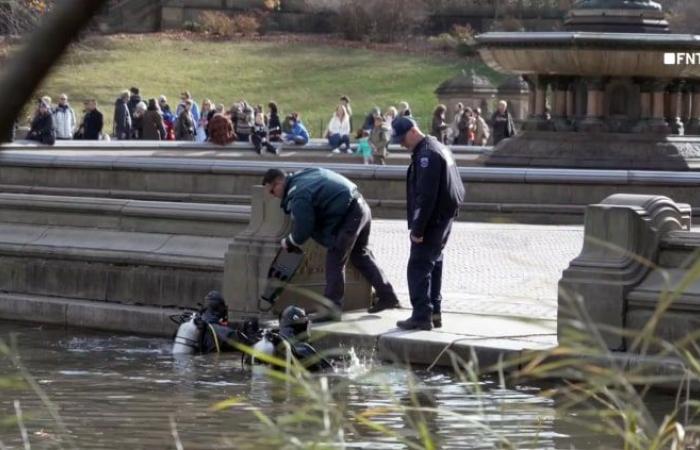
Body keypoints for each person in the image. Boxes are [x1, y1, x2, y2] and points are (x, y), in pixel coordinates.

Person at [262, 167, 400, 320]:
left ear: (278, 183)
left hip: (350, 215)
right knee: (360, 254)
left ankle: (332, 309)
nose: (273, 196)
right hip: (361, 207)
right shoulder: (303, 175)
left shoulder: (298, 194)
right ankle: (388, 296)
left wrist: (289, 241)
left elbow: (303, 228)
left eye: (272, 191)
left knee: (335, 258)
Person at [391, 117, 465, 330]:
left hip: (433, 220)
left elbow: (426, 196)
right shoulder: (438, 147)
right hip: (444, 217)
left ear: (413, 131)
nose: (401, 144)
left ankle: (422, 314)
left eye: (402, 138)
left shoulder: (427, 155)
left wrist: (418, 228)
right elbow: (458, 187)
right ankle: (434, 313)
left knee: (419, 265)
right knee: (434, 262)